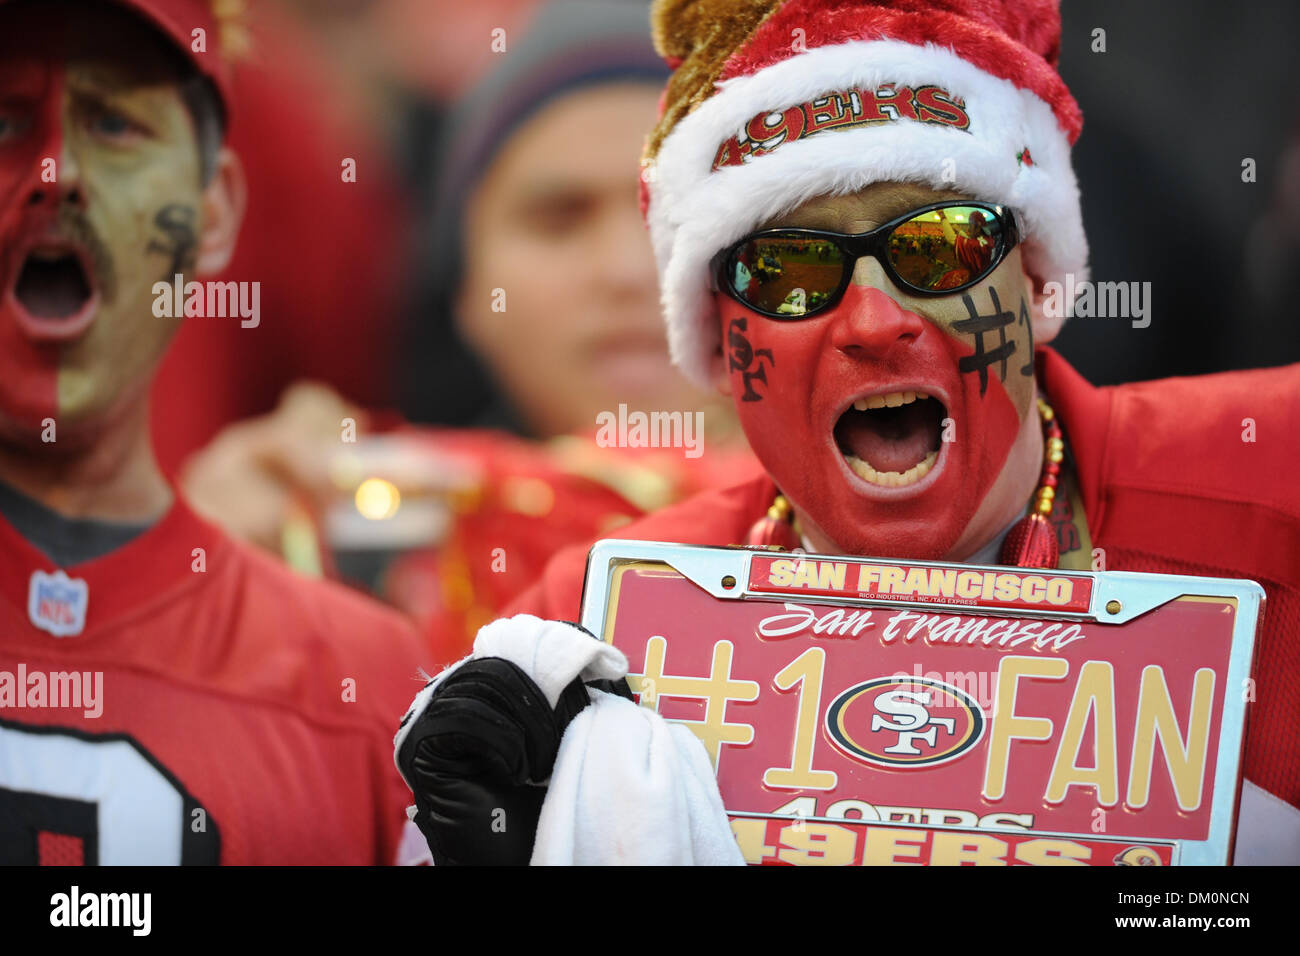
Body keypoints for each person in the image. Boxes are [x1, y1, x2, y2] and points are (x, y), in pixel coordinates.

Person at [396, 0, 1299, 864]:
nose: (873, 320)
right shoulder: (592, 628)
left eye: (938, 244)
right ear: (715, 337)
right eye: (789, 266)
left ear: (1032, 276)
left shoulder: (1276, 475)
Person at [180, 0, 757, 664]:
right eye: (558, 219)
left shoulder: (891, 539)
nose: (629, 271)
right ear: (467, 290)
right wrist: (188, 587)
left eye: (676, 212)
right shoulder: (340, 536)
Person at [0, 0, 428, 864]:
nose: (56, 171)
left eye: (115, 123)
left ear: (219, 213)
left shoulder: (368, 688)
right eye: (3, 120)